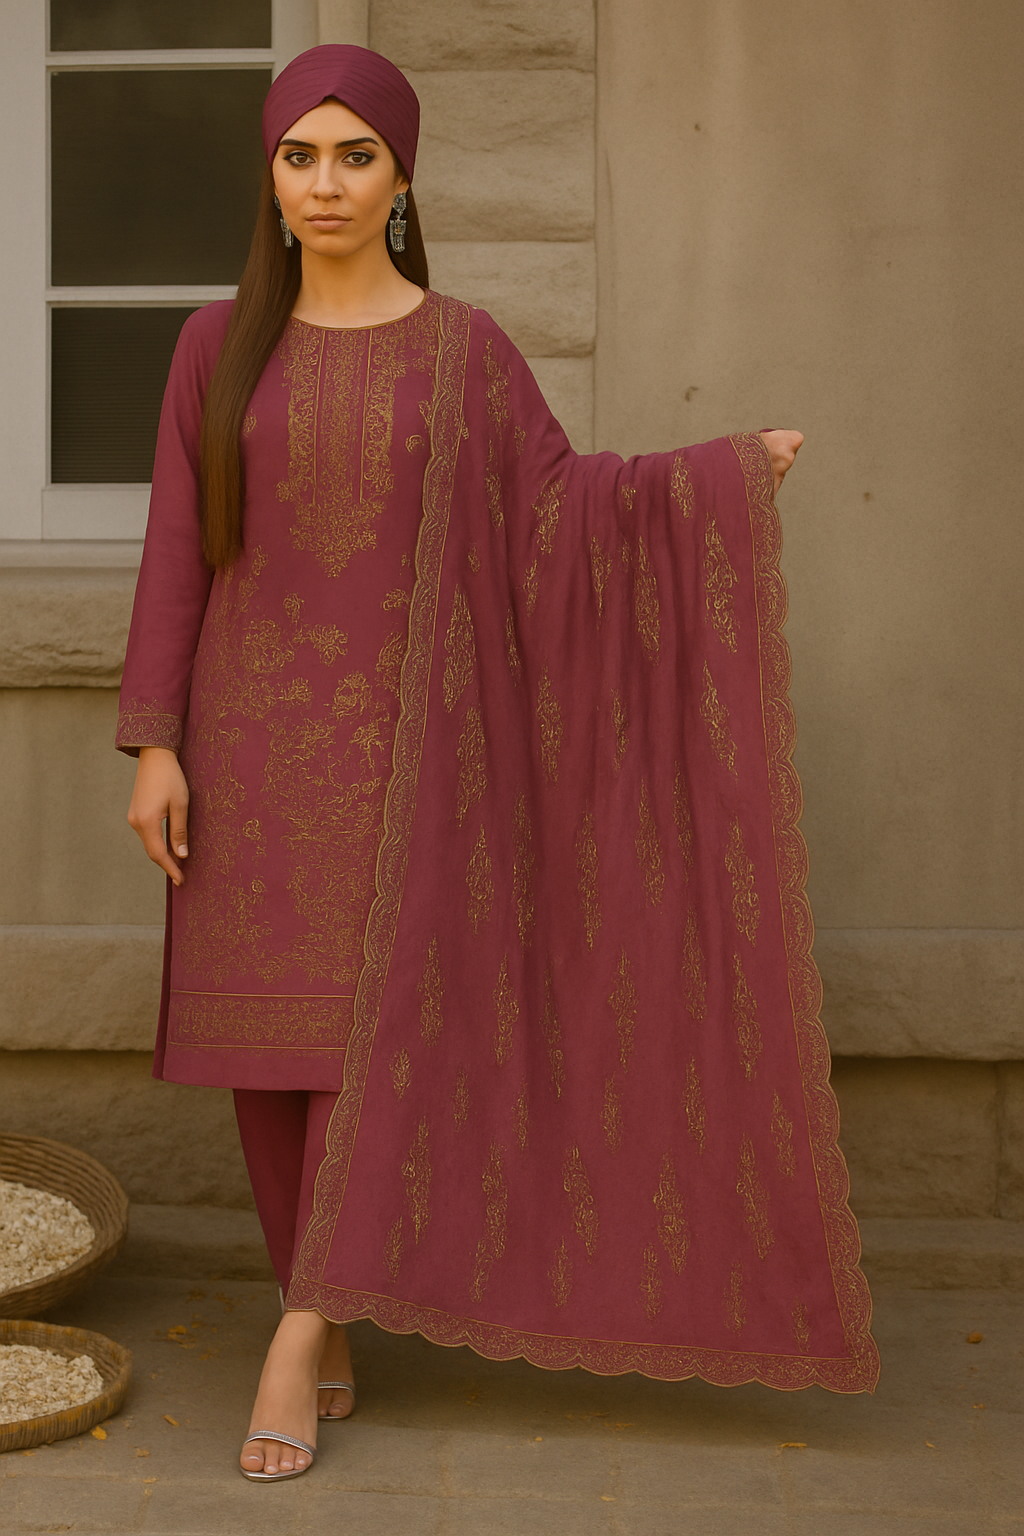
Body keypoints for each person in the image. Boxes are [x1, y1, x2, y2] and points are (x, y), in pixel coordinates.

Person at [118, 45, 878, 1483]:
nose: (326, 183)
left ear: (405, 177)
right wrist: (156, 741)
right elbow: (176, 546)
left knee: (360, 1045)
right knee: (263, 1058)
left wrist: (711, 482)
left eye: (357, 156)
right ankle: (323, 1302)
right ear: (270, 178)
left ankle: (299, 1327)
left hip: (407, 766)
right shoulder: (216, 347)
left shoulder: (466, 352)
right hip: (245, 746)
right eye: (301, 155)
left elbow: (554, 515)